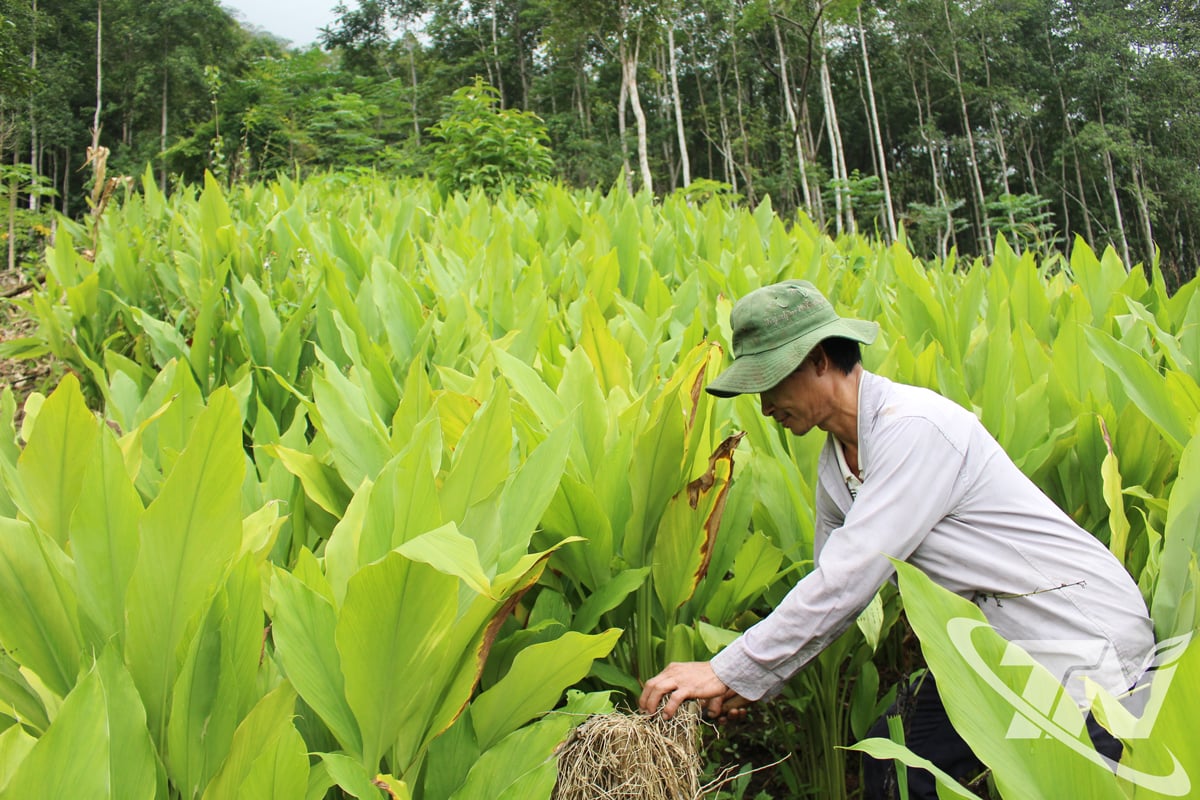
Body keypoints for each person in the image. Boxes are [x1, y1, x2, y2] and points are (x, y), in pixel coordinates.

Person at [638, 280, 1156, 799]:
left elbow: (846, 582)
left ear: (819, 360)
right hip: (1000, 652)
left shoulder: (914, 428)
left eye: (769, 381)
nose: (766, 405)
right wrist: (749, 683)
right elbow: (828, 598)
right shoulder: (836, 467)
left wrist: (728, 669)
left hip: (1076, 641)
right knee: (895, 756)